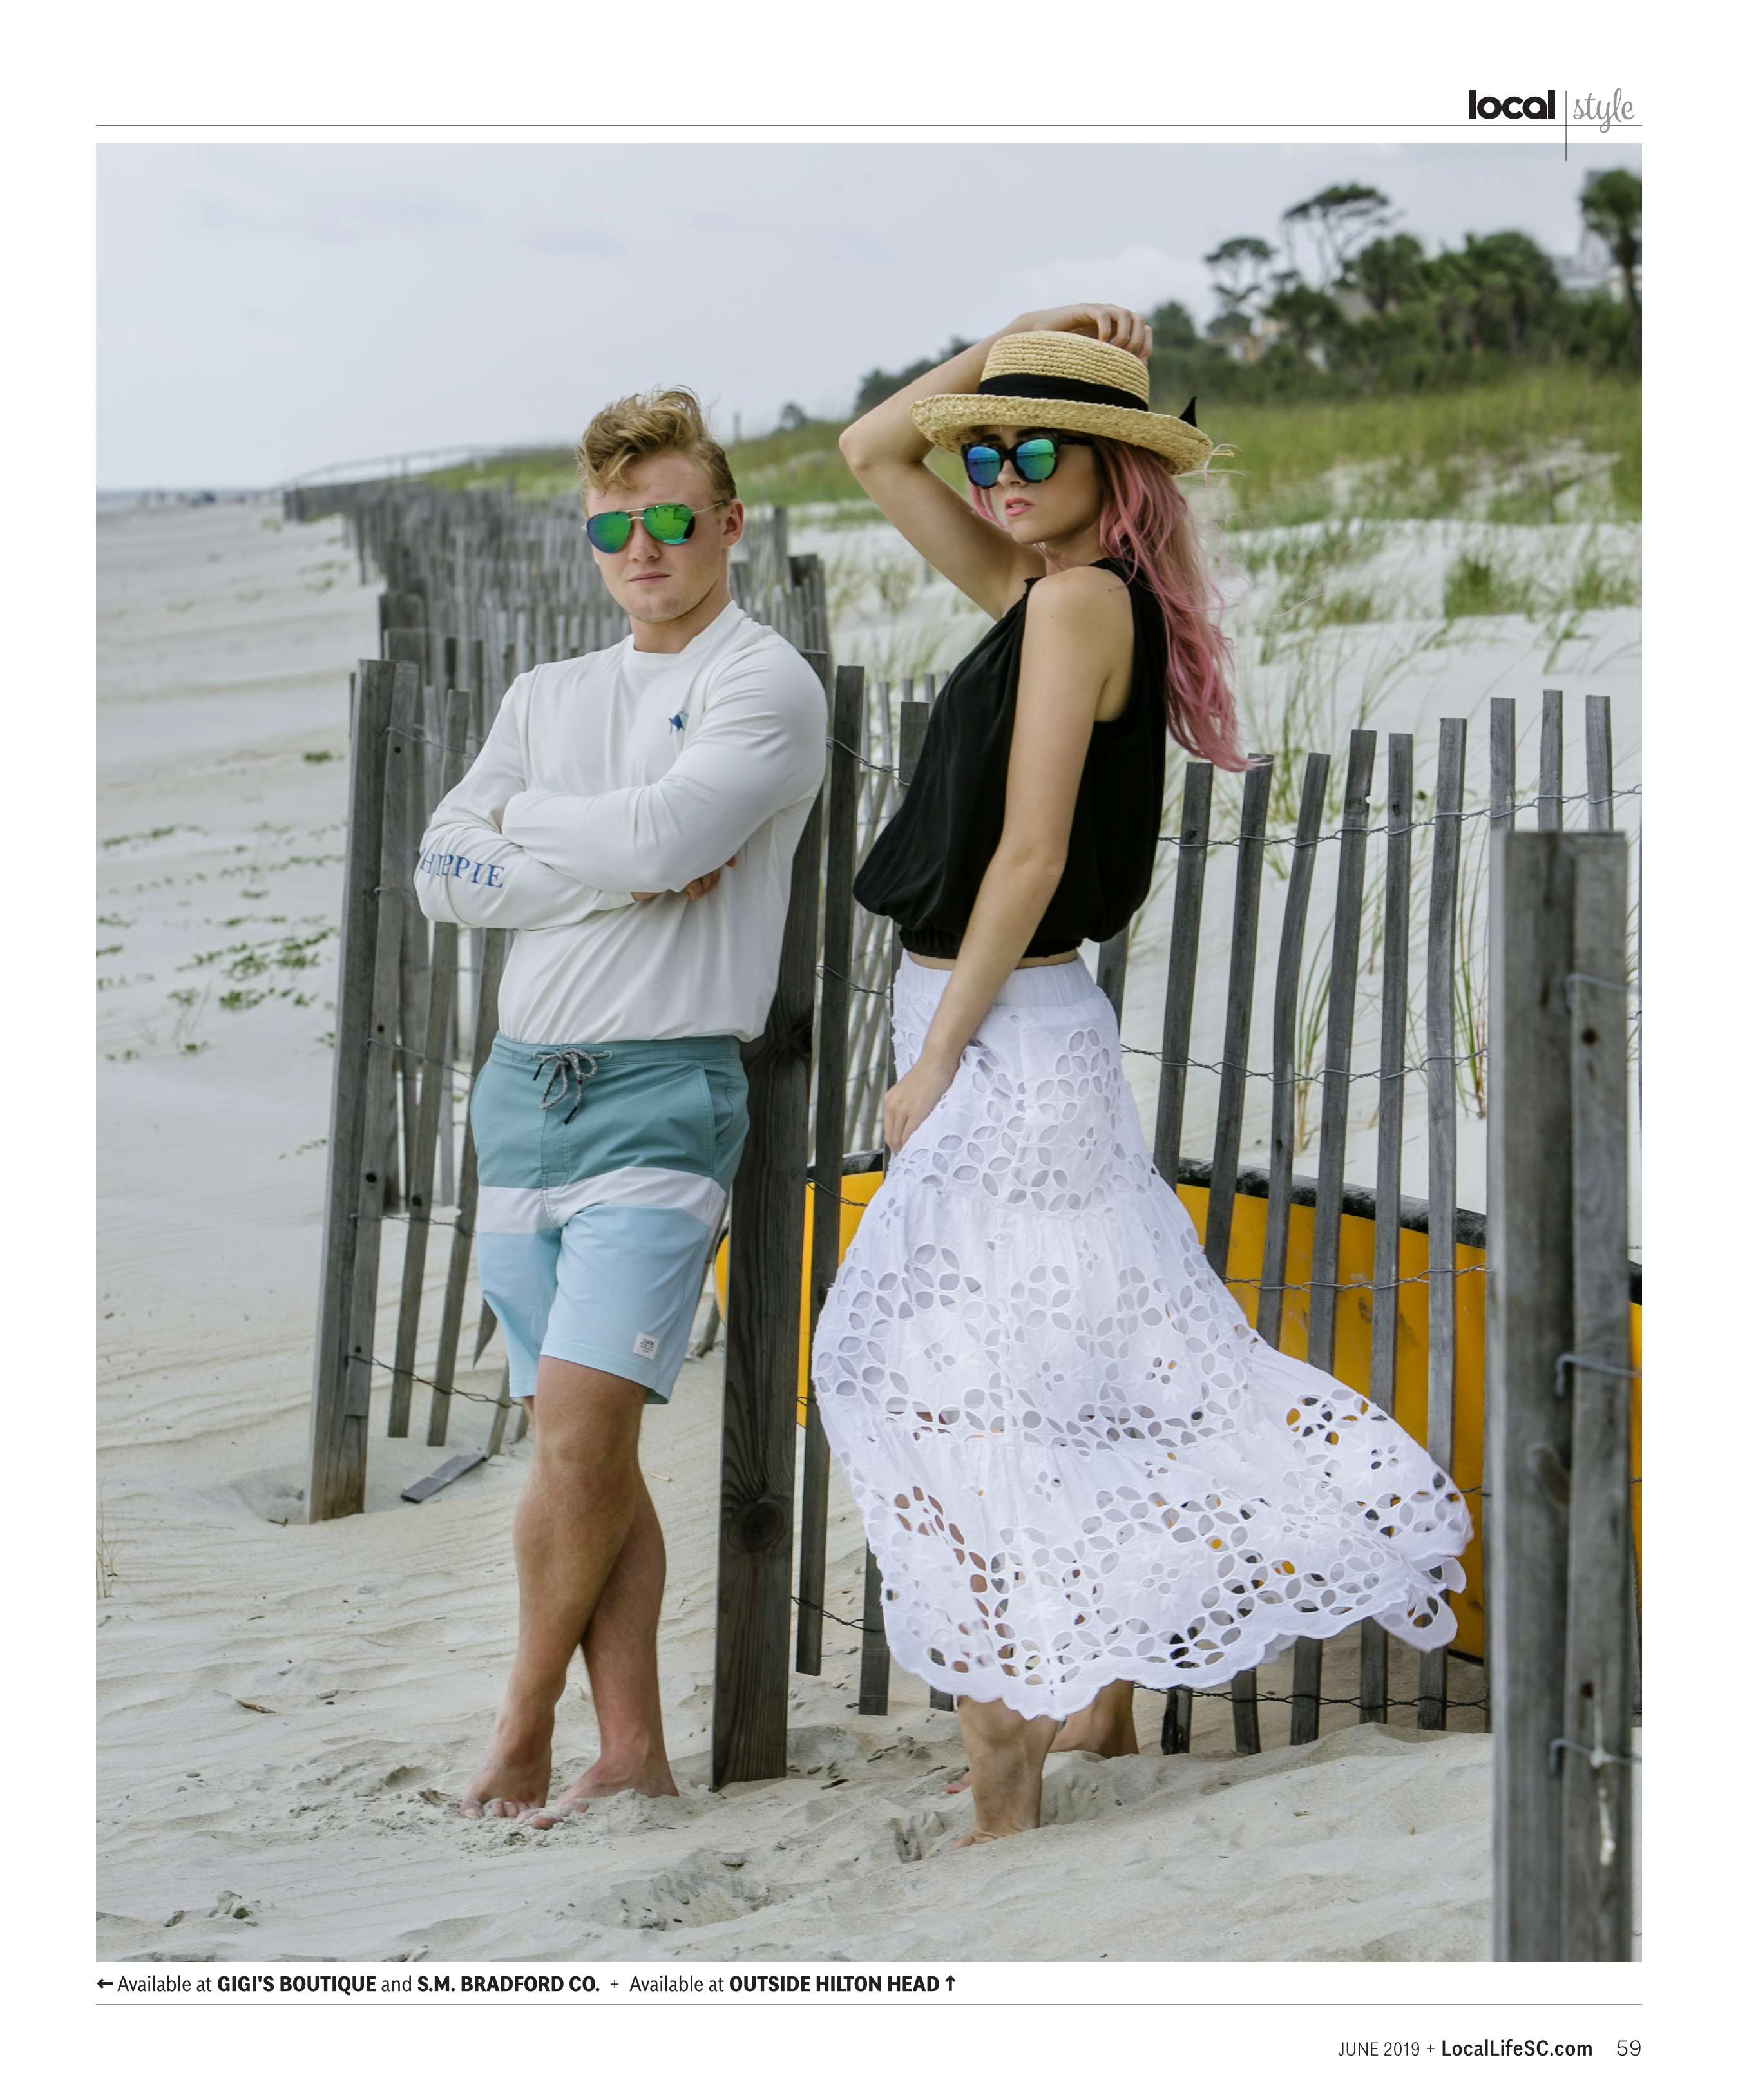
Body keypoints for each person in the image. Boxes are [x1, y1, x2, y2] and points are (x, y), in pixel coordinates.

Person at [810, 306, 1473, 1848]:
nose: (996, 471)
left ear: (1110, 465)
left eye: (1033, 447)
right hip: (1023, 1030)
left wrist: (937, 1056)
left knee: (938, 1384)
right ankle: (1093, 1706)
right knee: (1069, 1373)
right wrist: (1004, 347)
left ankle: (1005, 1761)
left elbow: (1033, 852)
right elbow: (870, 447)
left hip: (1002, 1032)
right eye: (986, 448)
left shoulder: (1071, 605)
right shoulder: (1050, 592)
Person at [414, 387, 827, 1826]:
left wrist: (532, 831)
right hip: (520, 1096)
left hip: (661, 1093)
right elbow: (439, 869)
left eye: (667, 520)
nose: (641, 549)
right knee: (583, 1451)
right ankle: (633, 1751)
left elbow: (667, 836)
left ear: (728, 523)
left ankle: (522, 1729)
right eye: (612, 529)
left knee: (580, 1440)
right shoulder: (547, 696)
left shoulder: (762, 681)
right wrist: (608, 866)